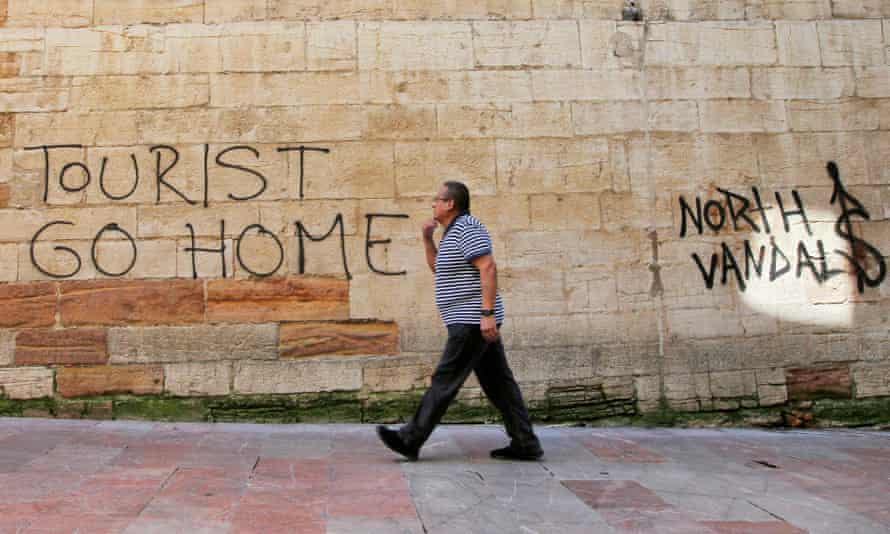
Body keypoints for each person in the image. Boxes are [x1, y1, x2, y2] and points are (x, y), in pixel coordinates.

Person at [376, 181, 543, 461]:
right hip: (470, 320)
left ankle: (410, 438)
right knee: (500, 384)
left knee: (444, 380)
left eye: (436, 200)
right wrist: (428, 239)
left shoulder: (468, 227)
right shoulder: (452, 232)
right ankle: (525, 442)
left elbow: (487, 267)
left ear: (450, 204)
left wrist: (487, 314)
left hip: (472, 321)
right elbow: (438, 268)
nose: (432, 204)